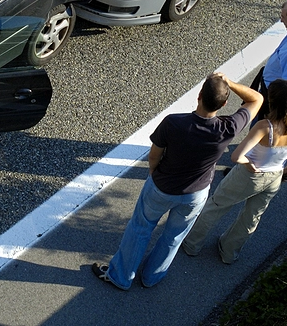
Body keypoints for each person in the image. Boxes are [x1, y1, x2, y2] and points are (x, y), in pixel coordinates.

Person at [92, 73, 263, 290]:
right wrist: (228, 83)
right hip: (196, 194)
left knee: (140, 228)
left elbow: (154, 154)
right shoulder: (228, 127)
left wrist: (154, 173)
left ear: (199, 96)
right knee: (174, 235)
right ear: (225, 103)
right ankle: (152, 277)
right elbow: (256, 99)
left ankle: (121, 277)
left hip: (162, 187)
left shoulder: (174, 123)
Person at [181, 79, 287, 264]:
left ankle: (191, 244)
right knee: (251, 217)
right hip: (274, 177)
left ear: (272, 101)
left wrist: (249, 165)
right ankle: (228, 252)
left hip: (250, 175)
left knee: (217, 205)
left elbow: (237, 156)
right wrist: (286, 171)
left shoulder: (265, 127)